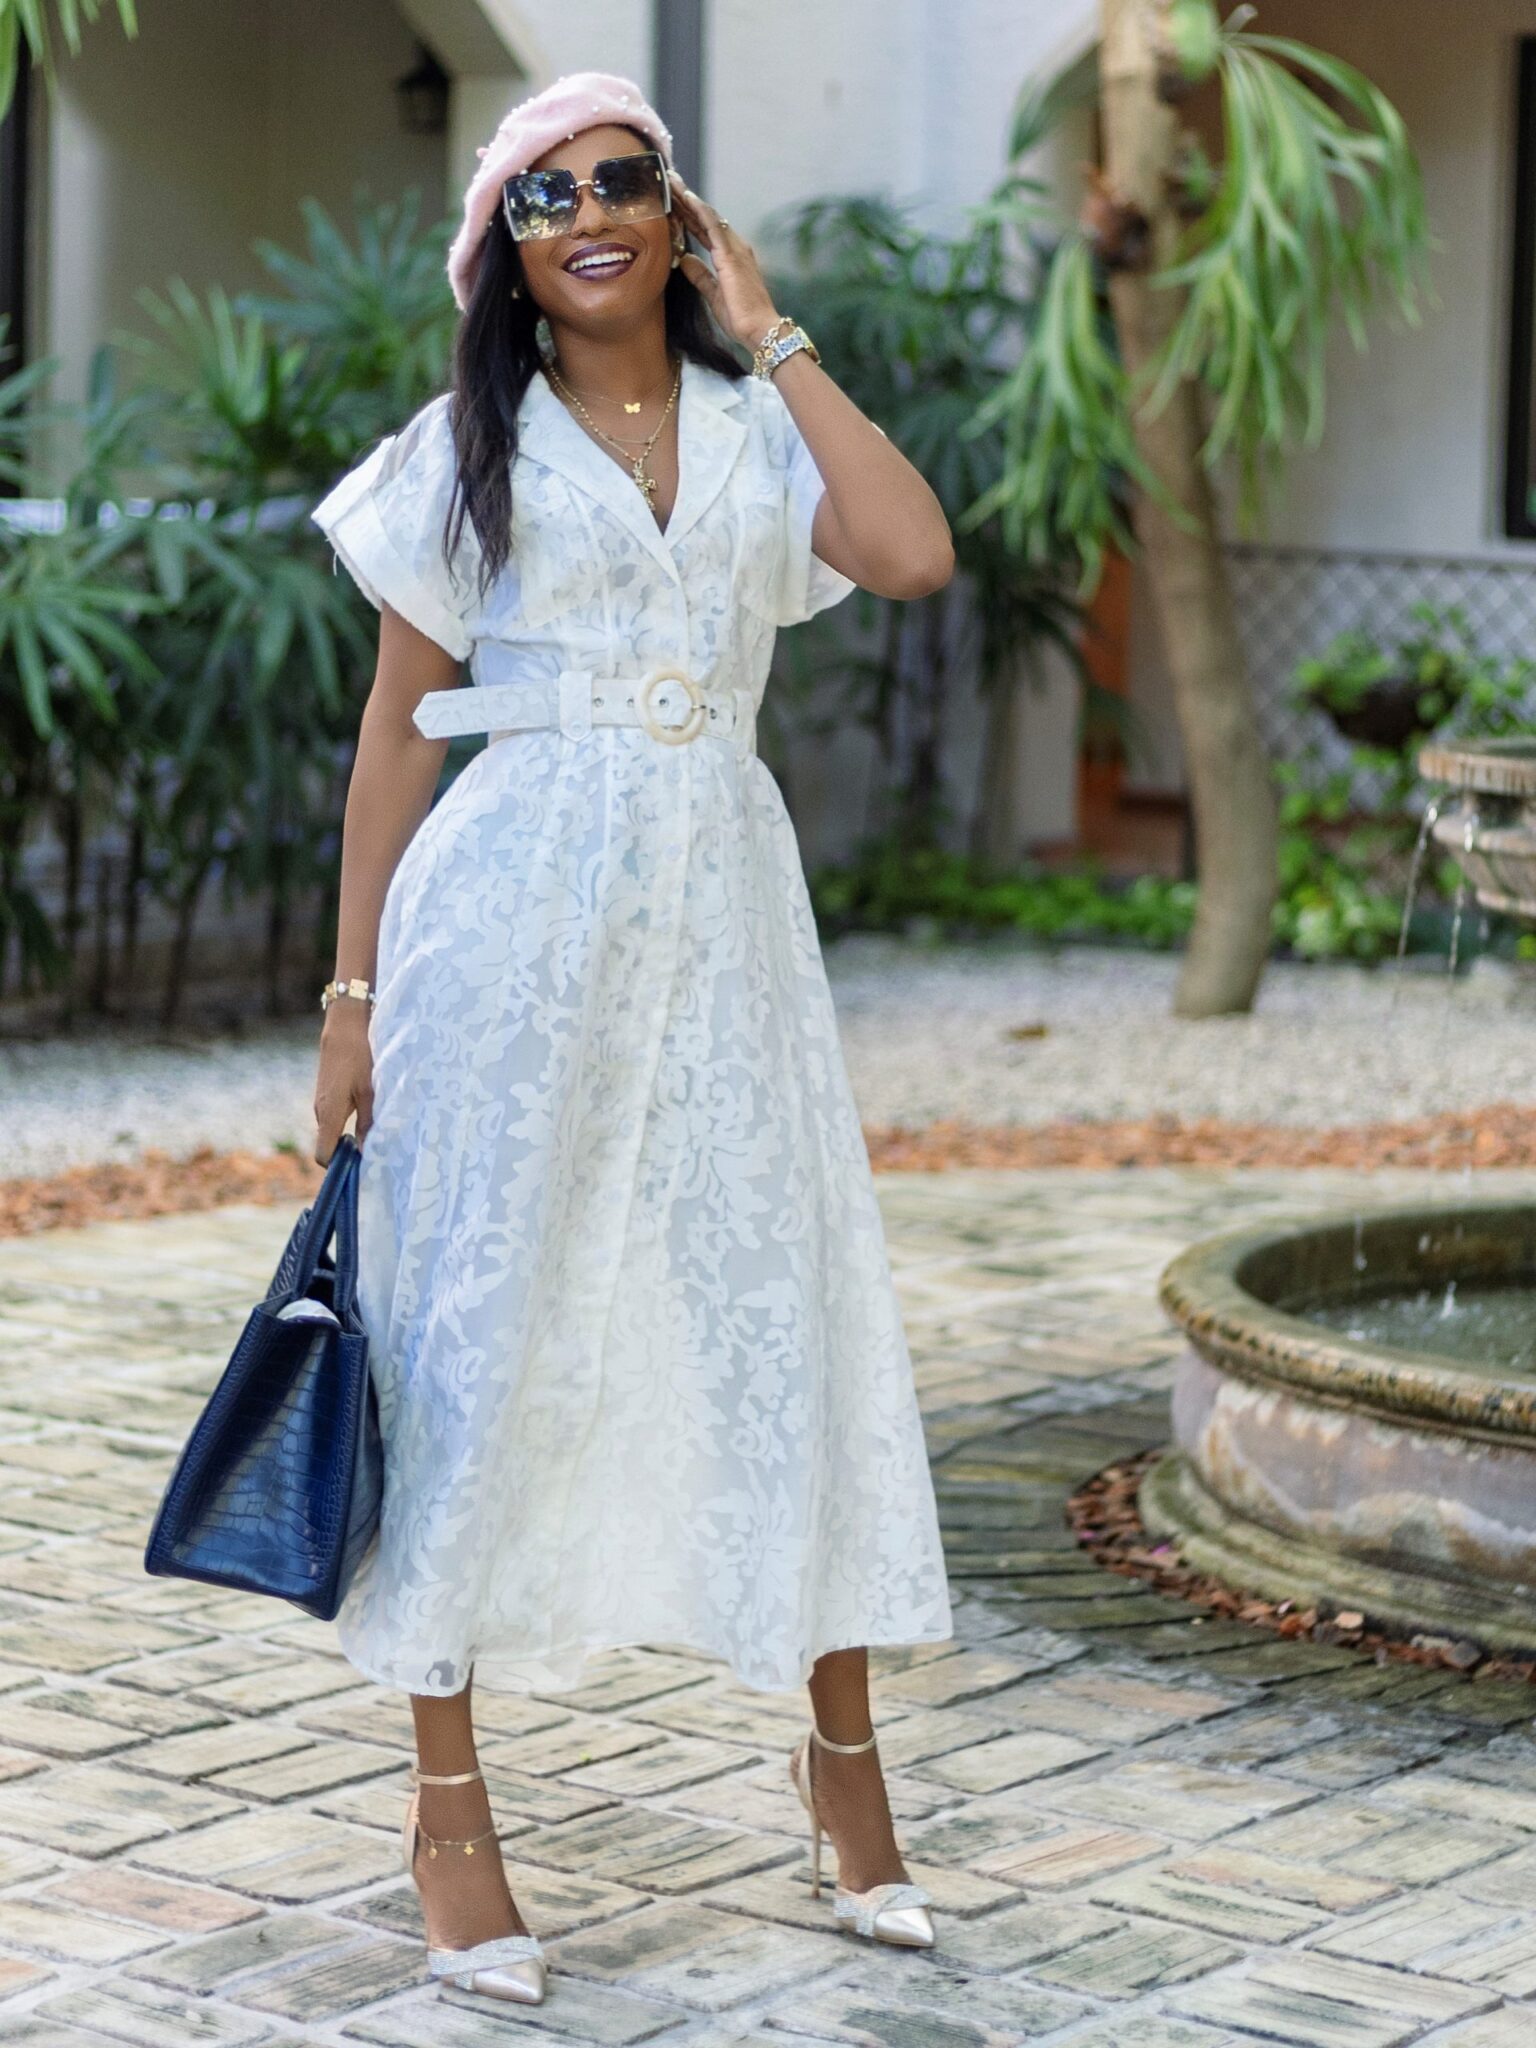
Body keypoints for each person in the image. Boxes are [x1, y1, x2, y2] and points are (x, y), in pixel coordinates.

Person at [309, 70, 955, 2010]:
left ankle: (841, 1762)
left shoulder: (761, 428)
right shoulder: (464, 450)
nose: (587, 212)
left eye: (624, 181)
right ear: (501, 252)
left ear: (680, 220)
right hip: (505, 926)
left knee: (777, 1304)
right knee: (472, 1332)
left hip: (725, 921)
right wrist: (349, 999)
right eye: (544, 195)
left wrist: (778, 334)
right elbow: (391, 737)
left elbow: (911, 554)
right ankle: (448, 1809)